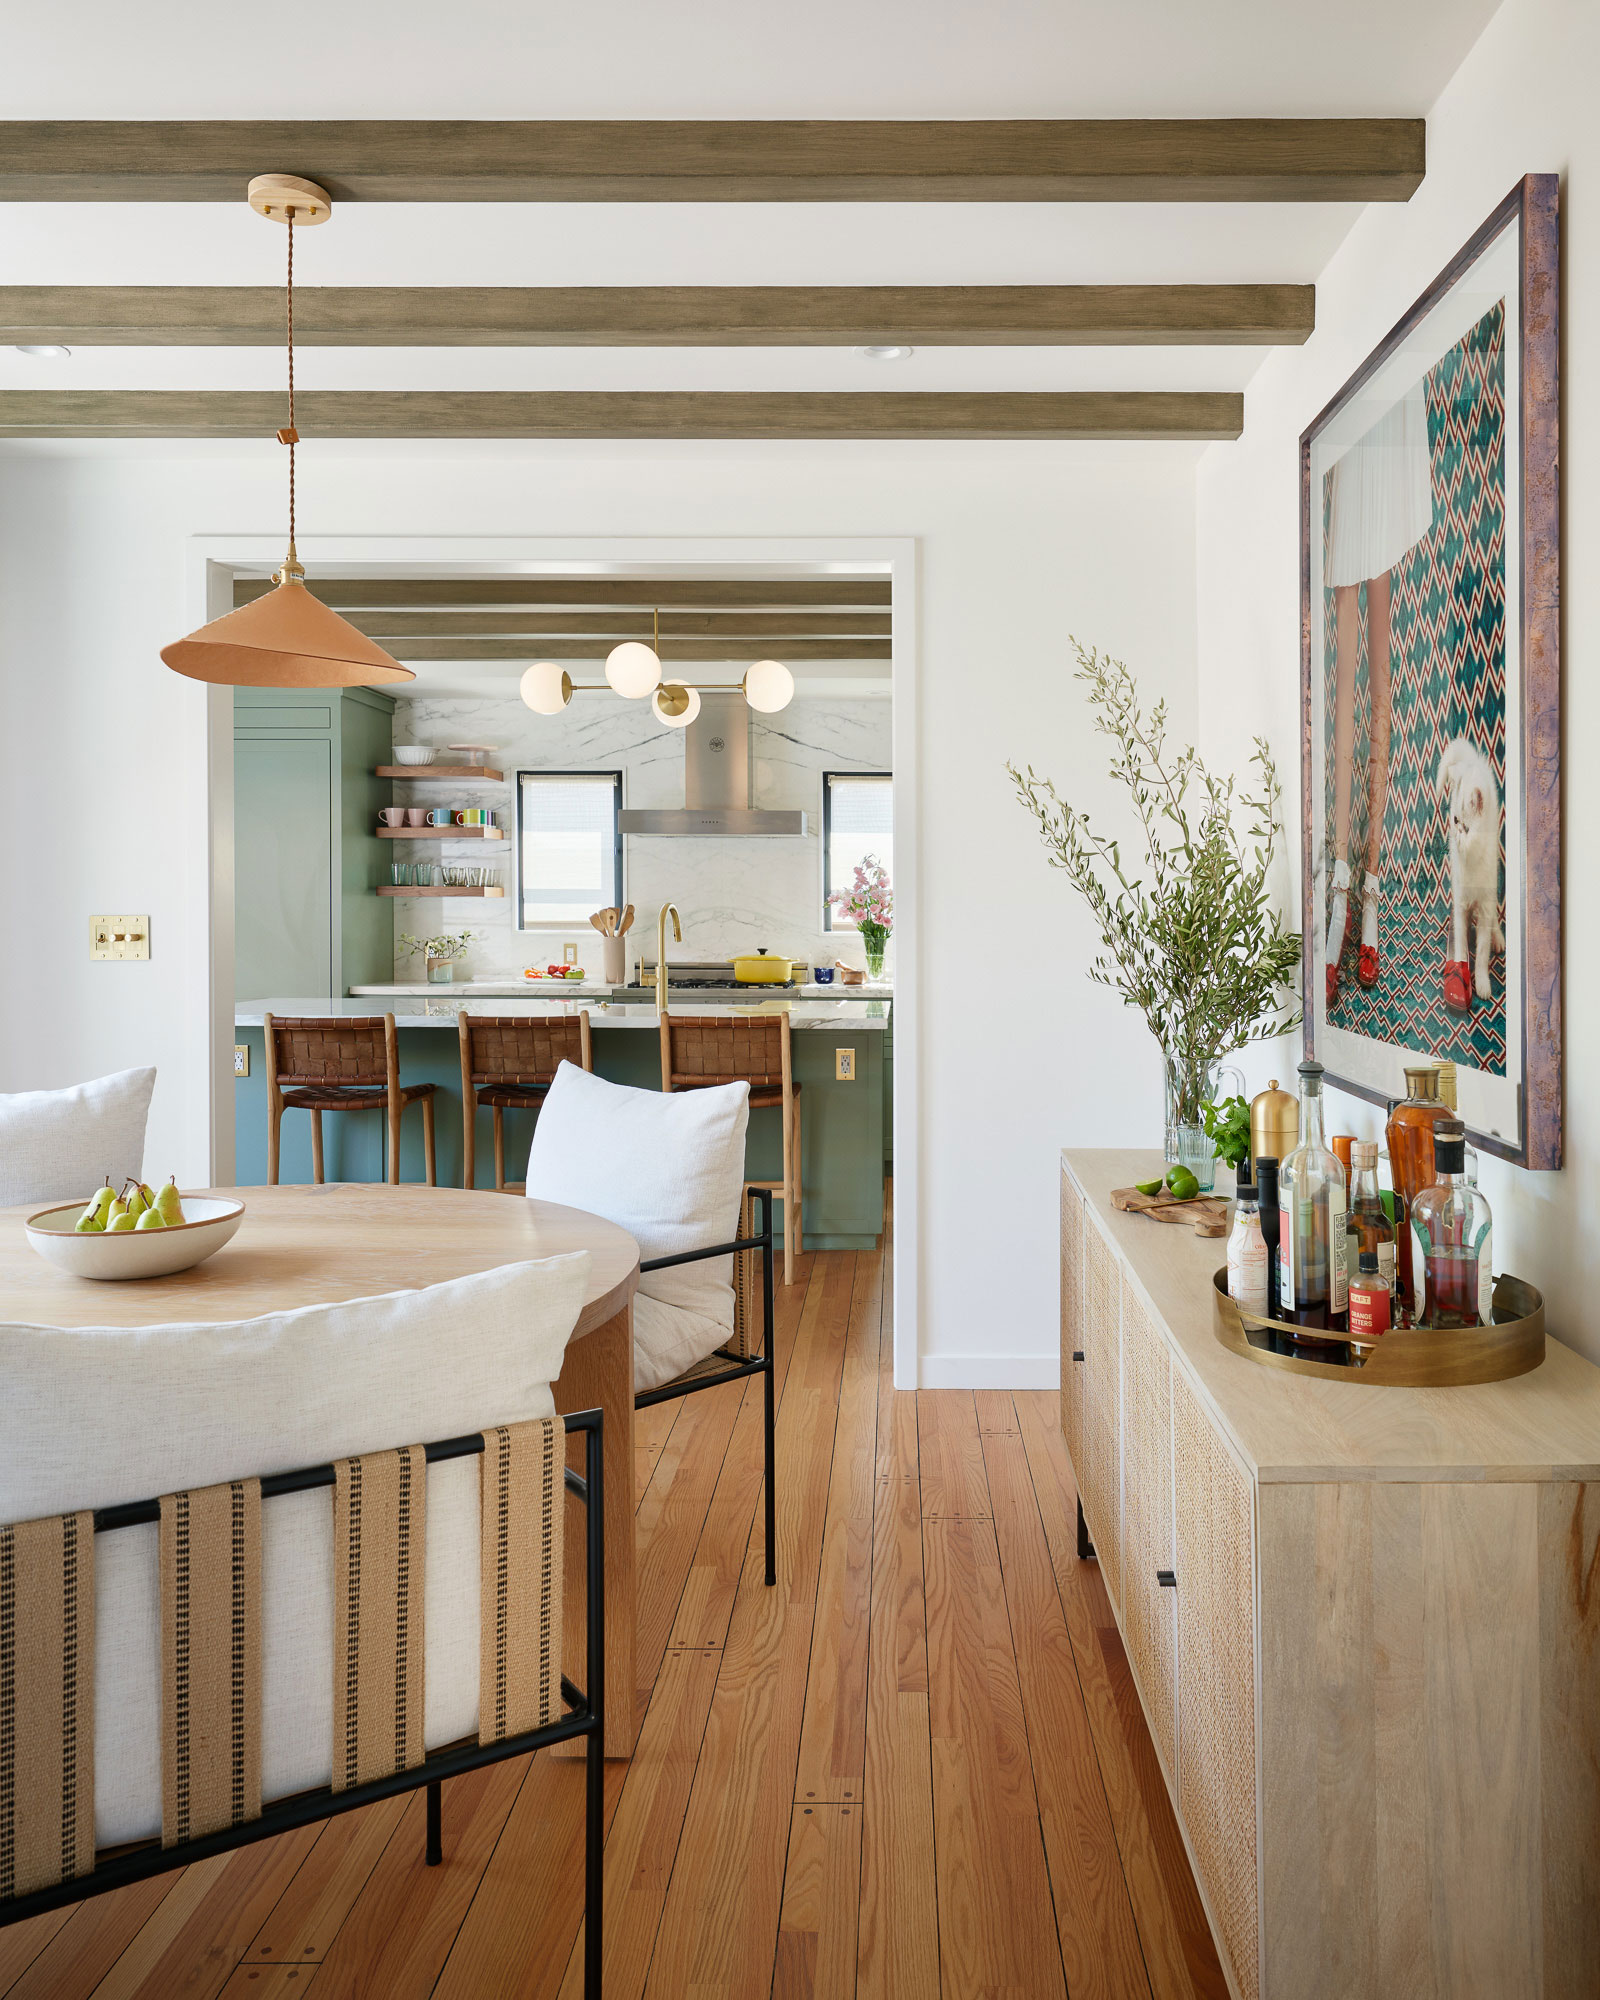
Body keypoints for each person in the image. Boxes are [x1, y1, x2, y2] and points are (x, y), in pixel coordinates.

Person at [1324, 381, 1434, 1007]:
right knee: (1346, 698)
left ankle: (1368, 891)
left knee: (1380, 696)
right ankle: (1342, 893)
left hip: (1386, 439)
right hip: (1355, 446)